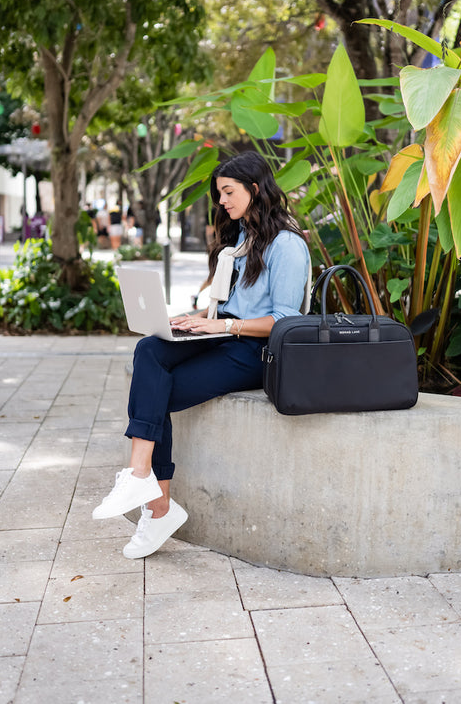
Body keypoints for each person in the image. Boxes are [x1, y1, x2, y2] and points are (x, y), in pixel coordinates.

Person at [92, 151, 310, 559]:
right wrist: (193, 319)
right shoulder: (243, 240)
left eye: (228, 192)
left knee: (159, 391)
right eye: (220, 194)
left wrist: (223, 326)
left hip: (257, 350)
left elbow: (285, 321)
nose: (222, 201)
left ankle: (157, 506)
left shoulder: (287, 245)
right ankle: (143, 480)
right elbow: (228, 305)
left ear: (255, 189)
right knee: (150, 348)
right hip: (226, 333)